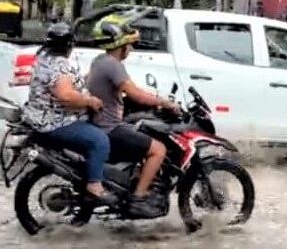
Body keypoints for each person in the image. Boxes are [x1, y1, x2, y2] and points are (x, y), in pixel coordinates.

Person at [87, 17, 180, 218]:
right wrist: (165, 103)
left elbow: (126, 93)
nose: (131, 49)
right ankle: (138, 198)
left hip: (101, 125)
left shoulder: (101, 61)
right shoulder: (113, 64)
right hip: (109, 128)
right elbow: (135, 93)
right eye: (129, 44)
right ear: (119, 44)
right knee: (158, 150)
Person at [21, 23, 114, 203]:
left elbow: (65, 84)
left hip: (39, 118)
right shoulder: (59, 64)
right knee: (100, 141)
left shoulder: (43, 58)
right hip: (55, 122)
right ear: (69, 45)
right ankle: (94, 184)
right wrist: (89, 101)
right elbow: (65, 95)